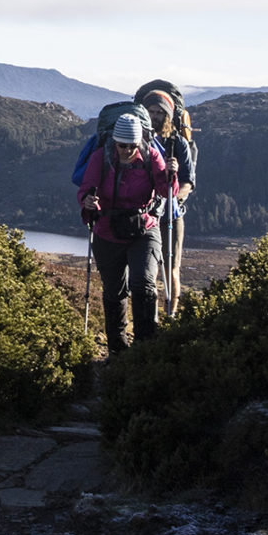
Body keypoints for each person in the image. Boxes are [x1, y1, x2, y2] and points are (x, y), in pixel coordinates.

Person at [77, 112, 176, 354]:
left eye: (132, 146)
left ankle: (145, 346)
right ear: (114, 141)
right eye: (122, 145)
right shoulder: (100, 157)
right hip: (107, 230)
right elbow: (85, 190)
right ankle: (118, 350)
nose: (127, 151)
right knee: (114, 291)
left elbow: (166, 190)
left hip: (144, 228)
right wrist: (88, 202)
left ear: (140, 142)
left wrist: (170, 174)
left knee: (142, 283)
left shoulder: (151, 155)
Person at [140, 88, 196, 319]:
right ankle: (150, 316)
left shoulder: (178, 144)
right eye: (150, 111)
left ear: (168, 115)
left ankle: (170, 313)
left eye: (159, 112)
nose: (155, 117)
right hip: (147, 215)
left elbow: (188, 182)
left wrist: (173, 197)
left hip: (171, 215)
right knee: (149, 270)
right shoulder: (138, 140)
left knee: (172, 269)